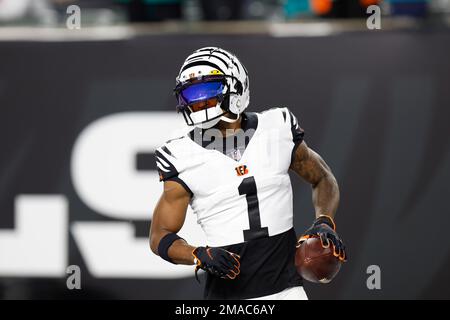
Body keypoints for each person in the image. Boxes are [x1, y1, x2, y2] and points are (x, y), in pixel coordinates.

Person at [149, 47, 346, 300]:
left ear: (236, 88)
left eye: (207, 93)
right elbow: (159, 235)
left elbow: (322, 177)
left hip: (288, 291)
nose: (198, 102)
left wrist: (324, 221)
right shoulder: (180, 155)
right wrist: (197, 254)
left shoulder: (277, 127)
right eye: (191, 95)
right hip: (227, 297)